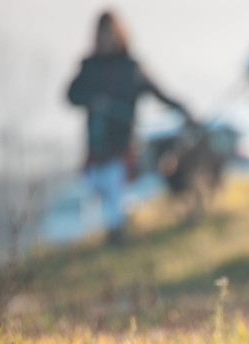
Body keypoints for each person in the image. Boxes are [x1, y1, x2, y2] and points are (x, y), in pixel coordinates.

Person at [67, 10, 193, 242]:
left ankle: (118, 233)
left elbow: (161, 94)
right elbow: (70, 95)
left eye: (110, 35)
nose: (106, 41)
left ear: (119, 35)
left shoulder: (131, 68)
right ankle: (120, 224)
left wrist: (184, 111)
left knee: (115, 188)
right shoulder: (89, 67)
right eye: (102, 36)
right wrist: (92, 100)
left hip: (123, 146)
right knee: (98, 189)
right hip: (96, 148)